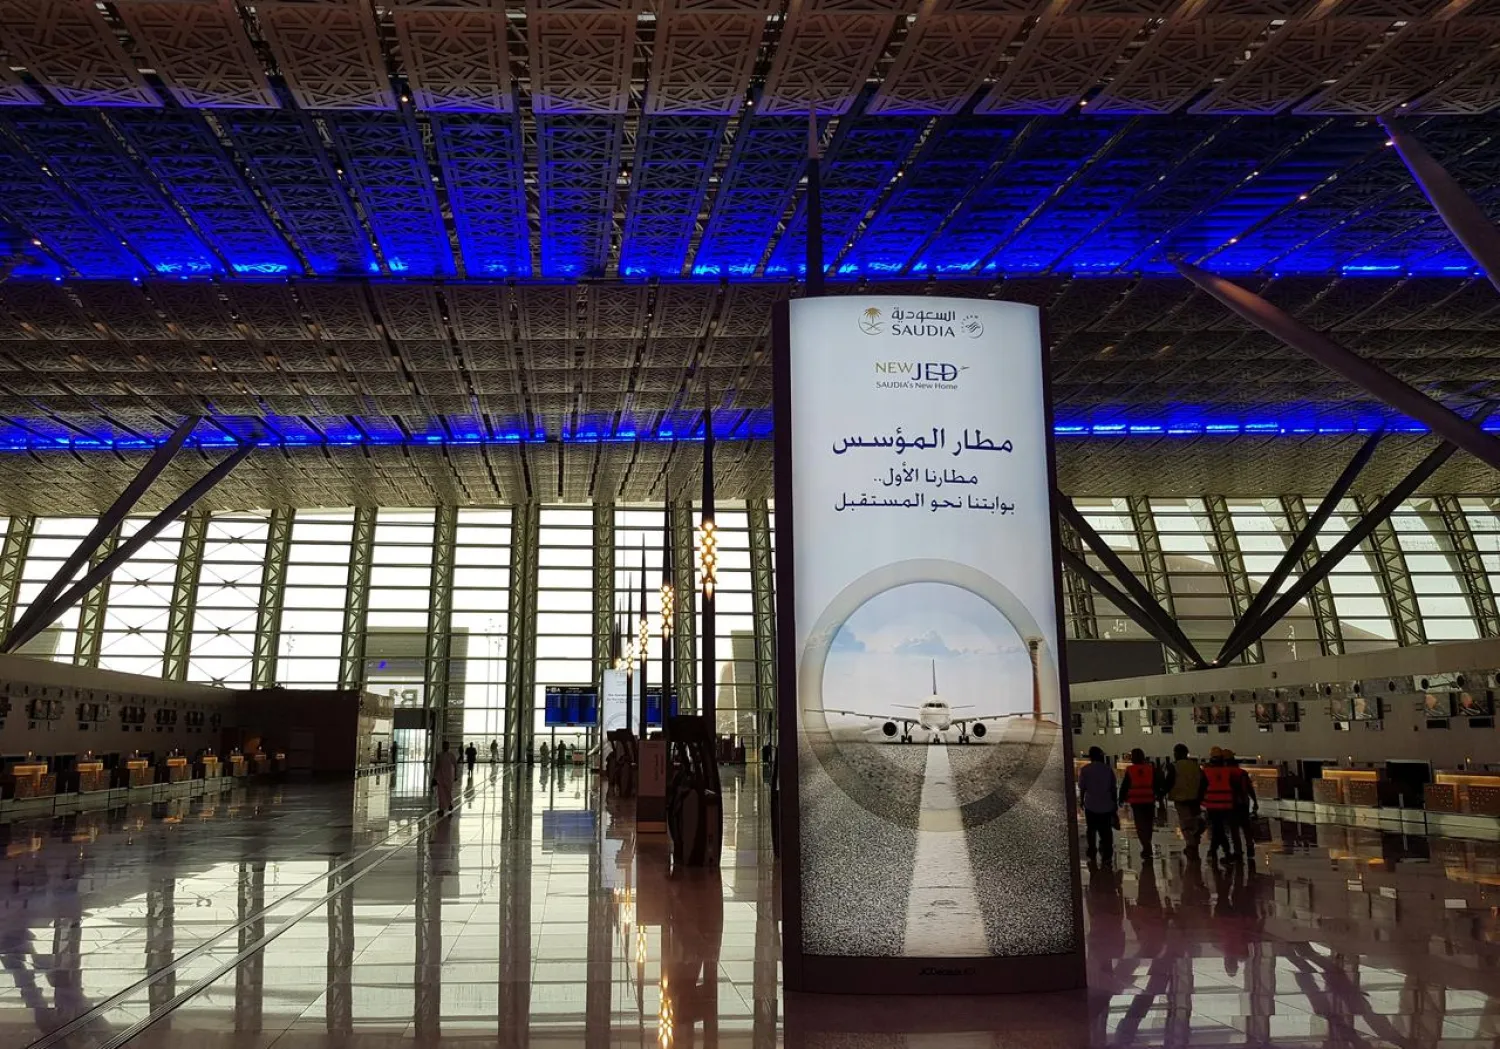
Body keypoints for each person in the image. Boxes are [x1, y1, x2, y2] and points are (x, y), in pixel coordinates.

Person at [1077, 746, 1118, 866]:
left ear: (1090, 757)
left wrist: (1081, 801)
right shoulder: (1107, 769)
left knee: (1091, 829)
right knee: (1106, 831)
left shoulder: (1085, 770)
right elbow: (1113, 788)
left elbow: (1082, 787)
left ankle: (1092, 850)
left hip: (1091, 804)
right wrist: (1114, 805)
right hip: (1106, 804)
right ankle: (1107, 854)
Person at [1200, 747, 1242, 863]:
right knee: (1219, 829)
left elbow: (1202, 788)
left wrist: (1199, 802)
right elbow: (1235, 787)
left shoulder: (1206, 771)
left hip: (1212, 805)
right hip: (1227, 805)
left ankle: (1220, 851)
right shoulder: (1227, 771)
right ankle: (1216, 851)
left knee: (1218, 829)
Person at [1119, 748, 1162, 859]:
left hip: (1136, 801)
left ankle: (1145, 845)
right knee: (1148, 824)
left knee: (1140, 825)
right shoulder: (1150, 769)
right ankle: (1147, 842)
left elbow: (1125, 785)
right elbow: (1156, 784)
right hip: (1149, 800)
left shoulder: (1130, 770)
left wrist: (1121, 798)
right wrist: (1160, 798)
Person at [1164, 743, 1204, 857]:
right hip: (1195, 799)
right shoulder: (1195, 765)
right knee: (1194, 821)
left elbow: (1169, 782)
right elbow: (1204, 781)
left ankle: (1191, 846)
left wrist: (1161, 793)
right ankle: (1195, 843)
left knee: (1186, 824)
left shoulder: (1174, 766)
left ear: (1177, 753)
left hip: (1181, 799)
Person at [1225, 750, 1259, 858]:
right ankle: (1250, 847)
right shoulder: (1242, 772)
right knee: (1246, 826)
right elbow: (1249, 788)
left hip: (1231, 803)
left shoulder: (1225, 773)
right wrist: (1255, 801)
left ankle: (1238, 850)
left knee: (1234, 829)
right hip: (1244, 802)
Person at [433, 741, 458, 816]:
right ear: (443, 746)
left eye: (447, 746)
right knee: (440, 794)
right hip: (440, 778)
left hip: (449, 777)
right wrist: (434, 777)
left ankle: (449, 803)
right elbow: (436, 767)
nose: (446, 747)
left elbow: (455, 766)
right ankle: (441, 808)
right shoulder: (439, 755)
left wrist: (456, 776)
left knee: (448, 792)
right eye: (445, 745)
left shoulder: (451, 755)